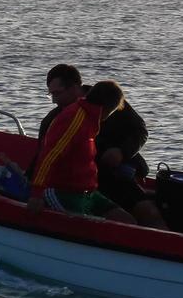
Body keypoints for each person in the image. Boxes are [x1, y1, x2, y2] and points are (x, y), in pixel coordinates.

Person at [20, 64, 166, 227]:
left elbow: (139, 130)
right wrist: (34, 191)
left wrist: (122, 152)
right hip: (72, 186)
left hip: (111, 177)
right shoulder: (59, 119)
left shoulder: (107, 98)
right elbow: (46, 156)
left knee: (148, 213)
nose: (54, 100)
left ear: (75, 87)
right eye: (51, 95)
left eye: (57, 93)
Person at [25, 80, 135, 222]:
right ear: (107, 109)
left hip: (87, 192)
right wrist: (37, 193)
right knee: (88, 225)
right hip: (62, 191)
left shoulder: (90, 119)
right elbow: (49, 155)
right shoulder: (75, 118)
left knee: (127, 221)